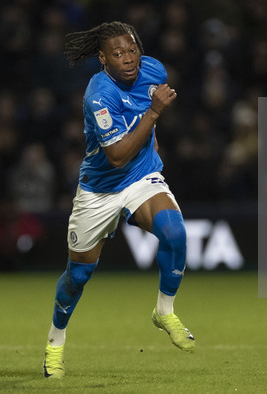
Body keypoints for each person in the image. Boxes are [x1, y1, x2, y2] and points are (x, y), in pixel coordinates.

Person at [43, 21, 195, 379]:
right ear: (102, 59)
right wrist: (154, 113)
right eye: (118, 53)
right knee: (78, 275)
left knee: (174, 232)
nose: (128, 59)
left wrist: (152, 138)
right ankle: (55, 342)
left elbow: (145, 109)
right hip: (99, 189)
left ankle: (164, 310)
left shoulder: (154, 69)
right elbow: (117, 156)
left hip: (141, 178)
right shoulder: (99, 95)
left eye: (132, 50)